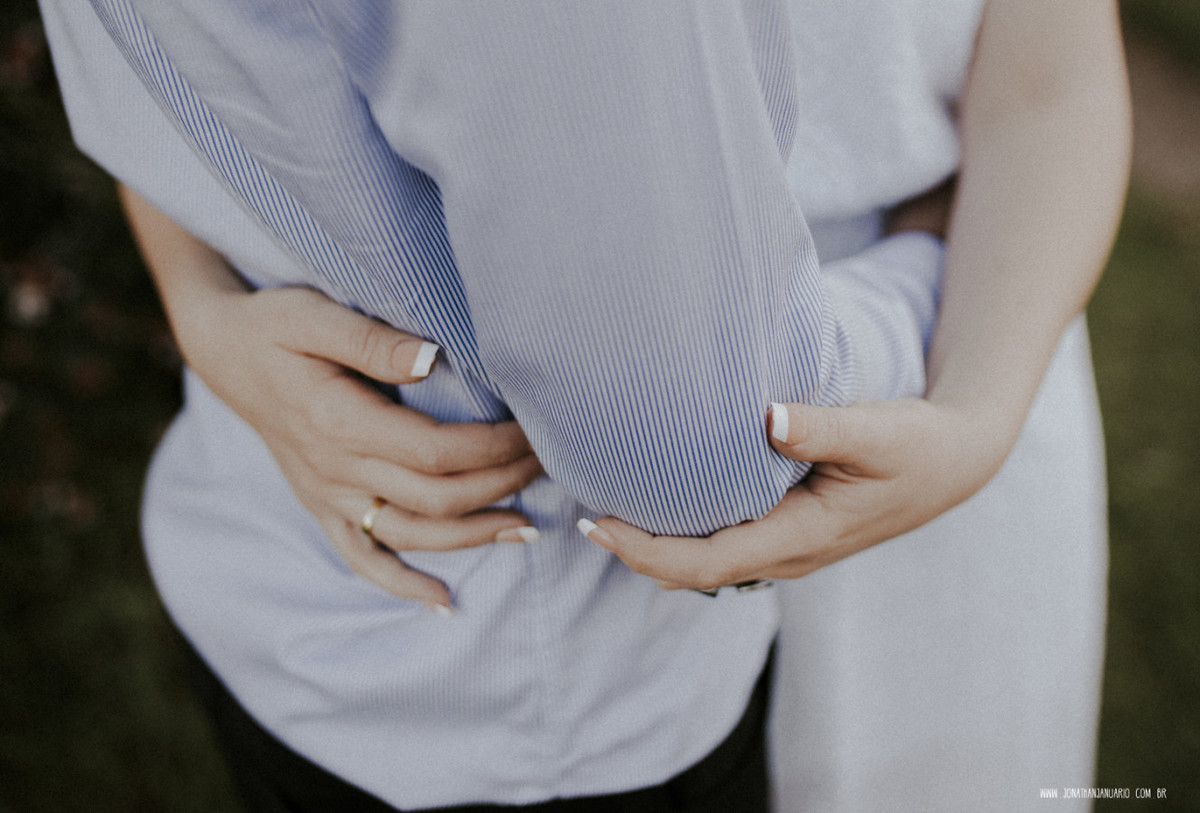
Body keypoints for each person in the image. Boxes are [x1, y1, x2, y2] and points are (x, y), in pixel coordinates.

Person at [38, 1, 1129, 811]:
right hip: (529, 589)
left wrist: (977, 396)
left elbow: (1060, 79)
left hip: (970, 360)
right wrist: (201, 302)